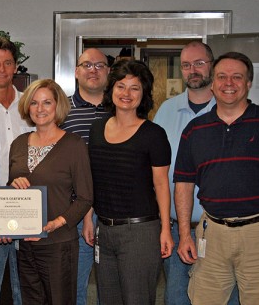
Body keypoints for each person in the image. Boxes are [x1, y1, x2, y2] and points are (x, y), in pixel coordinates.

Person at [174, 51, 259, 305]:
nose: (229, 83)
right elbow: (183, 183)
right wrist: (185, 235)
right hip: (211, 234)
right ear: (213, 84)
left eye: (237, 77)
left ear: (248, 83)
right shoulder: (195, 130)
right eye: (222, 77)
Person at [154, 41, 240, 305]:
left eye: (199, 63)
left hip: (222, 230)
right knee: (176, 297)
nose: (193, 70)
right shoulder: (166, 110)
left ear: (212, 66)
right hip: (178, 229)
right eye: (186, 65)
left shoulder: (232, 110)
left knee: (228, 298)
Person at [89, 60, 174, 305]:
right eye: (121, 86)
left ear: (144, 94)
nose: (126, 94)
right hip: (103, 230)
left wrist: (166, 230)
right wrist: (88, 219)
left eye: (134, 88)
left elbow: (161, 185)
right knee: (108, 300)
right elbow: (95, 180)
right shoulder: (96, 129)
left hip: (140, 233)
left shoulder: (153, 134)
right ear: (111, 90)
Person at [9, 79, 93, 304]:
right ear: (27, 107)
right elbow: (12, 192)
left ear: (58, 106)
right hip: (25, 245)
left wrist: (55, 224)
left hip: (58, 243)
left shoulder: (74, 145)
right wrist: (13, 184)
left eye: (47, 102)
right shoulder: (18, 143)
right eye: (34, 103)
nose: (40, 109)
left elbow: (85, 197)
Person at [0, 36, 33, 305]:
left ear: (15, 67)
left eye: (8, 63)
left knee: (25, 287)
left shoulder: (31, 107)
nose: (1, 69)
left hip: (29, 206)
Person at [59, 47, 111, 305]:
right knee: (73, 285)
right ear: (77, 71)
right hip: (75, 211)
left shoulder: (121, 108)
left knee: (111, 287)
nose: (93, 70)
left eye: (100, 65)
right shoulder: (60, 111)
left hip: (115, 211)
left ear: (108, 72)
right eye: (87, 65)